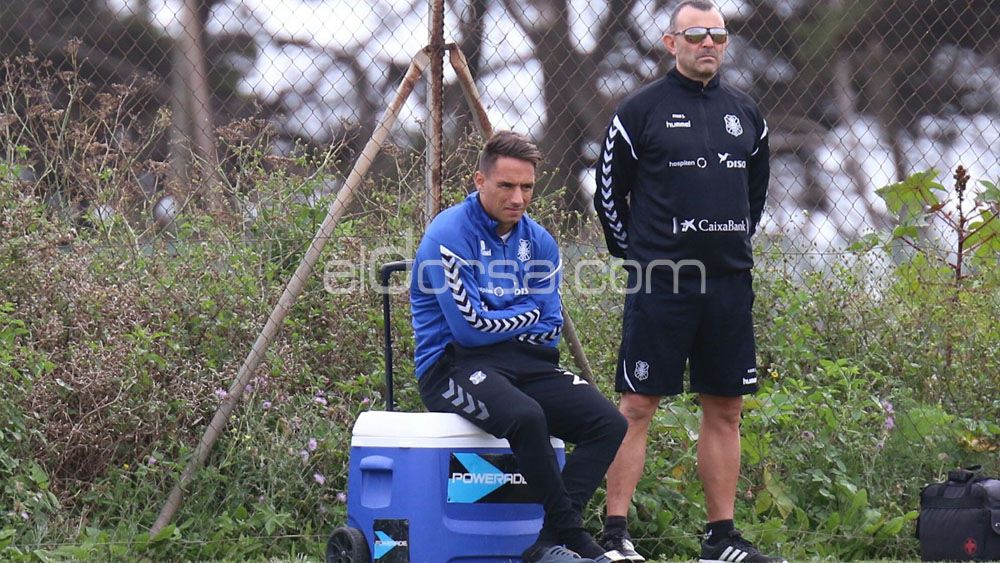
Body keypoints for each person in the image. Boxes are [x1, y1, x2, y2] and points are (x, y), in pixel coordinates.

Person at [593, 2, 786, 563]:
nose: (708, 44)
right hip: (662, 282)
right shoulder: (640, 110)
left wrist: (727, 245)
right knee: (637, 405)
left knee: (725, 408)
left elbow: (754, 197)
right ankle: (614, 535)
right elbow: (609, 195)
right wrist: (640, 257)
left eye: (718, 36)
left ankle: (720, 540)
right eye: (696, 34)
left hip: (728, 284)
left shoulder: (745, 112)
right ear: (670, 42)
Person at [411, 131, 628, 563]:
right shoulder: (447, 235)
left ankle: (548, 541)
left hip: (525, 363)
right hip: (451, 367)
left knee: (608, 423)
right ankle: (572, 536)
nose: (518, 198)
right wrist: (526, 310)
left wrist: (503, 316)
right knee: (527, 416)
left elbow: (550, 328)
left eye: (527, 187)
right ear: (480, 181)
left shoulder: (540, 242)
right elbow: (469, 331)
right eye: (506, 185)